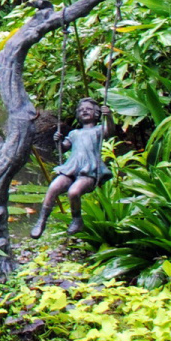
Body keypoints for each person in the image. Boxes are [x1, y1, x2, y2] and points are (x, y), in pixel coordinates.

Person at [30, 99, 109, 238]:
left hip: (89, 171)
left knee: (74, 192)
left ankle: (77, 219)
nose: (84, 111)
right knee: (54, 187)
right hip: (71, 168)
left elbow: (110, 130)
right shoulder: (74, 133)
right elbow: (63, 147)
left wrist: (109, 116)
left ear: (97, 114)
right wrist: (58, 141)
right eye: (81, 109)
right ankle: (41, 220)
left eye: (89, 109)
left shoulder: (99, 130)